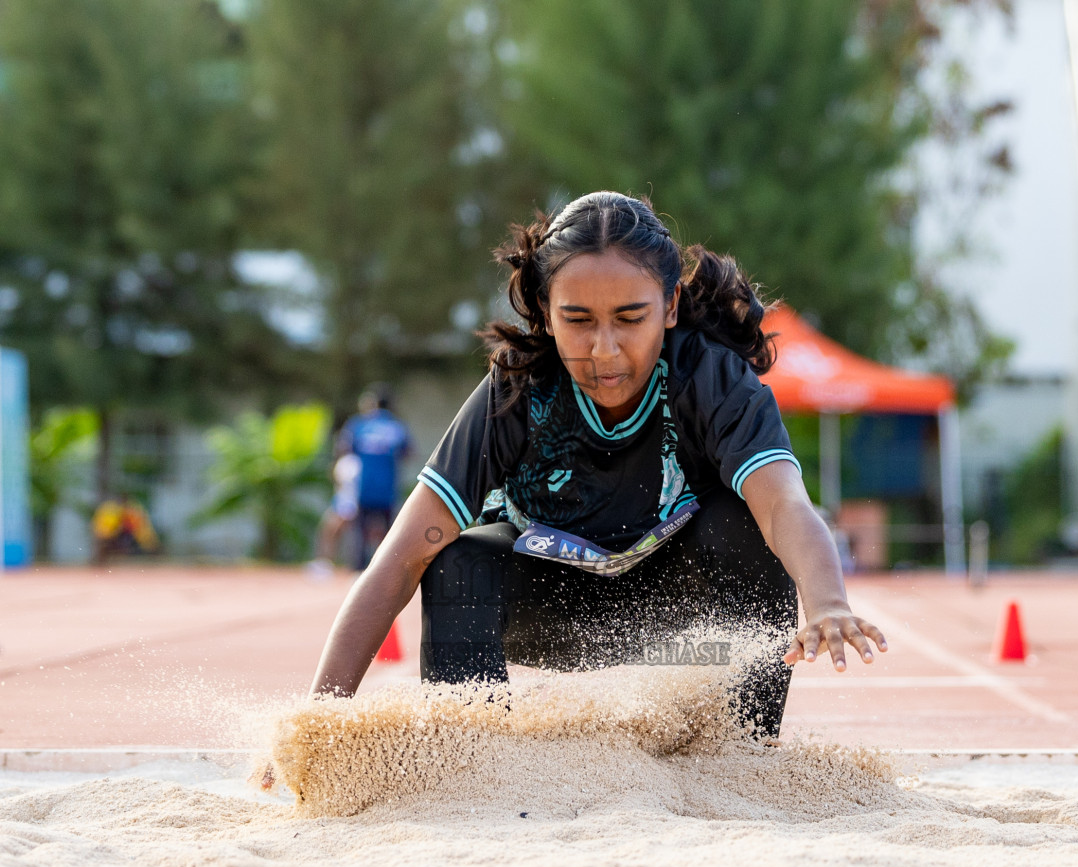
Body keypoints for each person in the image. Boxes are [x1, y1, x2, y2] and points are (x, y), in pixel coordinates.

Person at [304, 191, 887, 739]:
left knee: (747, 529)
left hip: (679, 619)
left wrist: (829, 603)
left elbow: (785, 503)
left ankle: (740, 756)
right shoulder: (516, 393)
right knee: (454, 558)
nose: (604, 350)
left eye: (631, 318)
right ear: (545, 311)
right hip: (552, 610)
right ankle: (470, 765)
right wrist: (318, 723)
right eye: (578, 320)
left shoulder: (712, 379)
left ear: (671, 306)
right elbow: (396, 562)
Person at [335, 385, 411, 569]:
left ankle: (358, 569)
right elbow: (408, 452)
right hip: (387, 488)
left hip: (364, 486)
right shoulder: (397, 426)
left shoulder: (358, 424)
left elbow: (343, 448)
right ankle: (385, 568)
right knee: (387, 532)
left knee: (360, 531)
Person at [307, 451, 361, 578]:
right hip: (343, 503)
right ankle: (326, 564)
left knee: (332, 533)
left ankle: (328, 564)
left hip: (348, 505)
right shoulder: (346, 461)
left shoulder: (351, 462)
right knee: (330, 533)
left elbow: (346, 485)